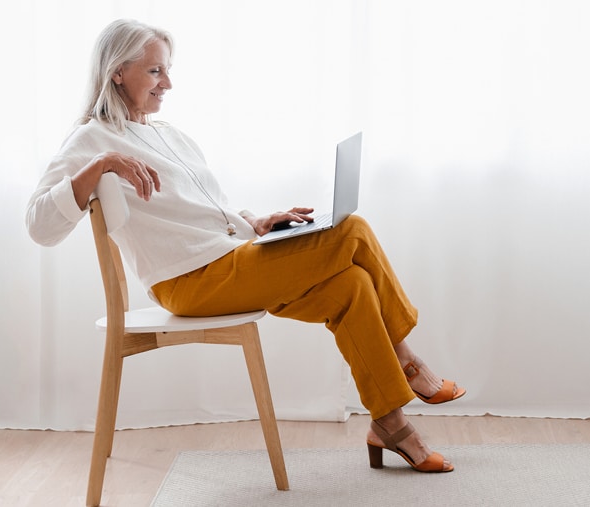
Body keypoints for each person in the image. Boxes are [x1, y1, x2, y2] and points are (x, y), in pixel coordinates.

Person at [26, 19, 466, 473]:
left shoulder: (170, 135)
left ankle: (390, 426)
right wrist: (99, 166)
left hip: (228, 260)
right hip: (190, 282)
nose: (168, 84)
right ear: (117, 72)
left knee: (353, 284)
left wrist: (255, 222)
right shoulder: (92, 139)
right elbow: (39, 225)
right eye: (156, 72)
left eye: (168, 71)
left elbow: (204, 212)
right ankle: (407, 360)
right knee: (351, 230)